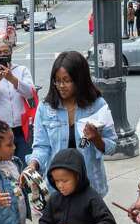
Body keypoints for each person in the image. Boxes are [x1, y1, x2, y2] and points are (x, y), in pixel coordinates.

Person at [28, 51, 117, 198]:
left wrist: (97, 139)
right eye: (57, 81)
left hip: (90, 186)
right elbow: (41, 146)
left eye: (67, 80)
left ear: (80, 80)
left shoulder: (97, 105)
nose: (61, 86)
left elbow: (112, 146)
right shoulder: (46, 107)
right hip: (57, 187)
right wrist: (33, 164)